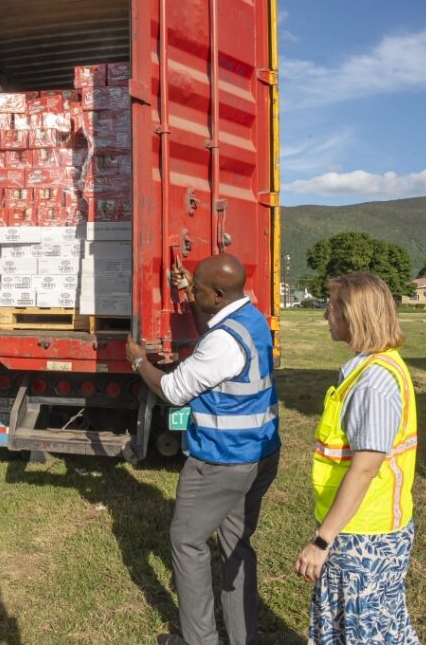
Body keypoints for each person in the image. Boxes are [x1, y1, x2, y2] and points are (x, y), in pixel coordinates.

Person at [126, 253, 281, 645]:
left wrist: (139, 363)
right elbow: (211, 337)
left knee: (187, 542)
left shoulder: (224, 342)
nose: (191, 291)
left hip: (222, 460)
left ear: (217, 293)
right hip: (259, 454)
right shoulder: (251, 320)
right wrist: (185, 294)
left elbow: (173, 391)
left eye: (196, 288)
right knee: (235, 546)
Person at [294, 272, 420, 644]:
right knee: (384, 627)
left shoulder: (373, 384)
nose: (325, 315)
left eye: (331, 307)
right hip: (369, 530)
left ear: (353, 315)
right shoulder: (376, 368)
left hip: (364, 537)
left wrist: (321, 541)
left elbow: (365, 469)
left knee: (361, 632)